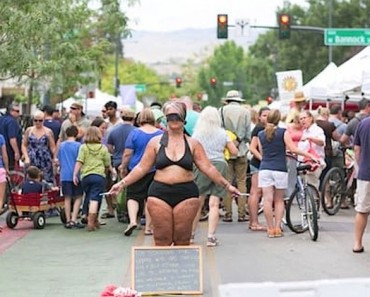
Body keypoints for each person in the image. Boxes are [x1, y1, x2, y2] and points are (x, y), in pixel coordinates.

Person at [109, 101, 240, 246]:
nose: (174, 120)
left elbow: (208, 168)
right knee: (161, 238)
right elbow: (141, 168)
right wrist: (121, 183)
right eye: (170, 117)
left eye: (177, 117)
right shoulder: (155, 142)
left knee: (182, 239)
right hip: (159, 192)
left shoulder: (193, 143)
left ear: (184, 119)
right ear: (165, 119)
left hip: (186, 193)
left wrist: (228, 186)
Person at [258, 109, 318, 238]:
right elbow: (293, 149)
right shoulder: (282, 133)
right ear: (279, 119)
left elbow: (262, 153)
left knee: (267, 200)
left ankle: (269, 228)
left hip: (265, 168)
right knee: (279, 200)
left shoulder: (261, 134)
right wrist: (309, 155)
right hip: (280, 168)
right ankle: (277, 227)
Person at [192, 106, 238, 246]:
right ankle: (211, 237)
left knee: (197, 202)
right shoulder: (222, 133)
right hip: (219, 166)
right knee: (214, 204)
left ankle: (191, 235)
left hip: (201, 166)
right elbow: (234, 151)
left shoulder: (197, 134)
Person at [120, 108, 163, 236]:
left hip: (136, 169)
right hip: (155, 169)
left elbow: (128, 153)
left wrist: (123, 167)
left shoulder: (134, 133)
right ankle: (149, 228)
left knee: (133, 196)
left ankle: (133, 221)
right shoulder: (160, 133)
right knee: (150, 198)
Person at [219, 90, 251, 222]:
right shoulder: (245, 112)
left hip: (226, 150)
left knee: (227, 182)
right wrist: (239, 141)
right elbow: (248, 133)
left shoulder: (221, 111)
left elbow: (219, 130)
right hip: (241, 150)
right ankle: (242, 213)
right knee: (241, 181)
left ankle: (228, 213)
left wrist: (229, 143)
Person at [73, 126, 112, 231]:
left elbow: (79, 161)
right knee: (95, 199)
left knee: (89, 195)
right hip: (99, 175)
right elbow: (107, 163)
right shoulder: (103, 148)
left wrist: (75, 174)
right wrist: (108, 171)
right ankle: (91, 222)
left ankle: (87, 215)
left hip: (85, 176)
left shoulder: (83, 147)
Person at [106, 108, 136, 221]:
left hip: (118, 161)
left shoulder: (114, 130)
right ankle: (130, 212)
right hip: (133, 162)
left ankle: (120, 210)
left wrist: (116, 153)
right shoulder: (136, 130)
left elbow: (109, 147)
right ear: (133, 118)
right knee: (132, 187)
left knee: (120, 186)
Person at [57, 126, 84, 229]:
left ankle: (67, 220)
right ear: (76, 134)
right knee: (78, 196)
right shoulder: (79, 146)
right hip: (77, 174)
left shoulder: (62, 145)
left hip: (64, 175)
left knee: (67, 197)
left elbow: (59, 160)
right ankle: (74, 219)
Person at [248, 107, 270, 231]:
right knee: (256, 192)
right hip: (258, 164)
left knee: (257, 192)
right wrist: (262, 159)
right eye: (264, 115)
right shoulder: (259, 128)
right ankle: (254, 222)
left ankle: (253, 221)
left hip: (263, 163)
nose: (266, 118)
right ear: (260, 117)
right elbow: (252, 148)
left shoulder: (266, 128)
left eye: (269, 115)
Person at [22, 111, 56, 183]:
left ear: (43, 120)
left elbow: (53, 147)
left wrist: (55, 158)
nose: (38, 122)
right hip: (31, 158)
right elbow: (24, 145)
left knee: (46, 180)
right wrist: (26, 157)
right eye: (35, 120)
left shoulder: (48, 132)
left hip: (45, 159)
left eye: (40, 120)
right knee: (30, 180)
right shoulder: (29, 130)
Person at [352, 116, 370, 253]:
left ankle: (357, 243)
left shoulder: (363, 123)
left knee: (362, 210)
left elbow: (356, 150)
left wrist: (361, 165)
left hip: (365, 173)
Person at [297, 110, 326, 190]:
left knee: (312, 184)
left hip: (314, 162)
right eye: (300, 119)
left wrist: (310, 138)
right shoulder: (304, 132)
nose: (302, 120)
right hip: (303, 162)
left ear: (310, 118)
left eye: (304, 118)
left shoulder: (317, 130)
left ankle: (314, 201)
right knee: (304, 186)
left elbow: (321, 142)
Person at [0, 103, 22, 170]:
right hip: (9, 151)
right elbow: (12, 138)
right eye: (17, 111)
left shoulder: (2, 119)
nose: (19, 114)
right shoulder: (12, 122)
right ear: (11, 111)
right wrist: (16, 152)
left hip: (1, 149)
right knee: (10, 170)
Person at [0, 133, 9, 214]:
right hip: (0, 169)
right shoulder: (1, 137)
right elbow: (4, 155)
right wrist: (7, 168)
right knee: (0, 198)